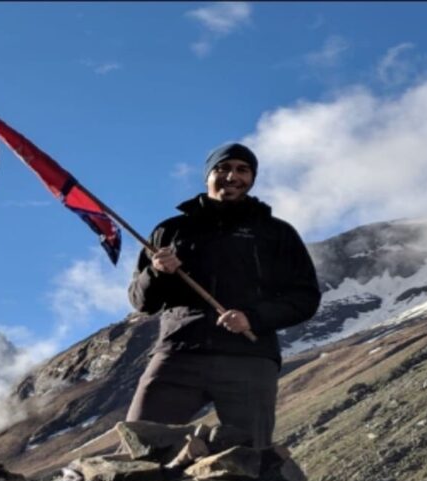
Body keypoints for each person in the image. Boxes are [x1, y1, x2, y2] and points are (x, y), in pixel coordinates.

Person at [126, 142, 321, 449]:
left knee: (250, 457)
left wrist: (252, 318)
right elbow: (141, 302)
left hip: (249, 359)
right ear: (207, 176)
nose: (232, 176)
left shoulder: (276, 233)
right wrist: (156, 272)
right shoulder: (171, 230)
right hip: (180, 353)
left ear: (252, 179)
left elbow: (305, 298)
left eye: (242, 170)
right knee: (141, 443)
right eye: (223, 168)